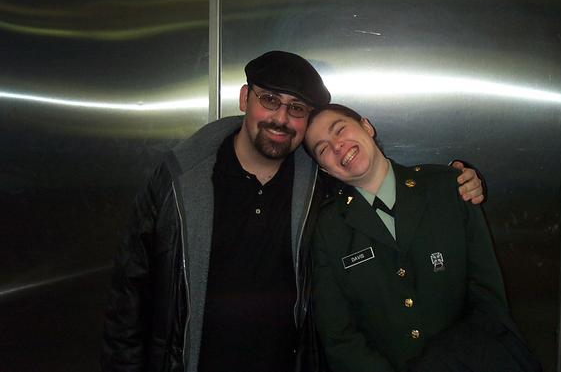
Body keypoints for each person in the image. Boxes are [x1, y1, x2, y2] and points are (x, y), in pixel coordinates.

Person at [101, 51, 485, 372]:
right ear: (245, 98)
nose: (281, 119)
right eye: (270, 100)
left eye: (297, 108)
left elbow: (382, 185)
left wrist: (458, 179)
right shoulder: (179, 179)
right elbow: (129, 294)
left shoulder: (323, 183)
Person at [305, 104, 538, 372]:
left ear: (367, 127)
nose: (337, 146)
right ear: (325, 170)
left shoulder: (449, 188)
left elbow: (488, 301)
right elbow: (339, 336)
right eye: (322, 149)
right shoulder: (327, 229)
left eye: (340, 129)